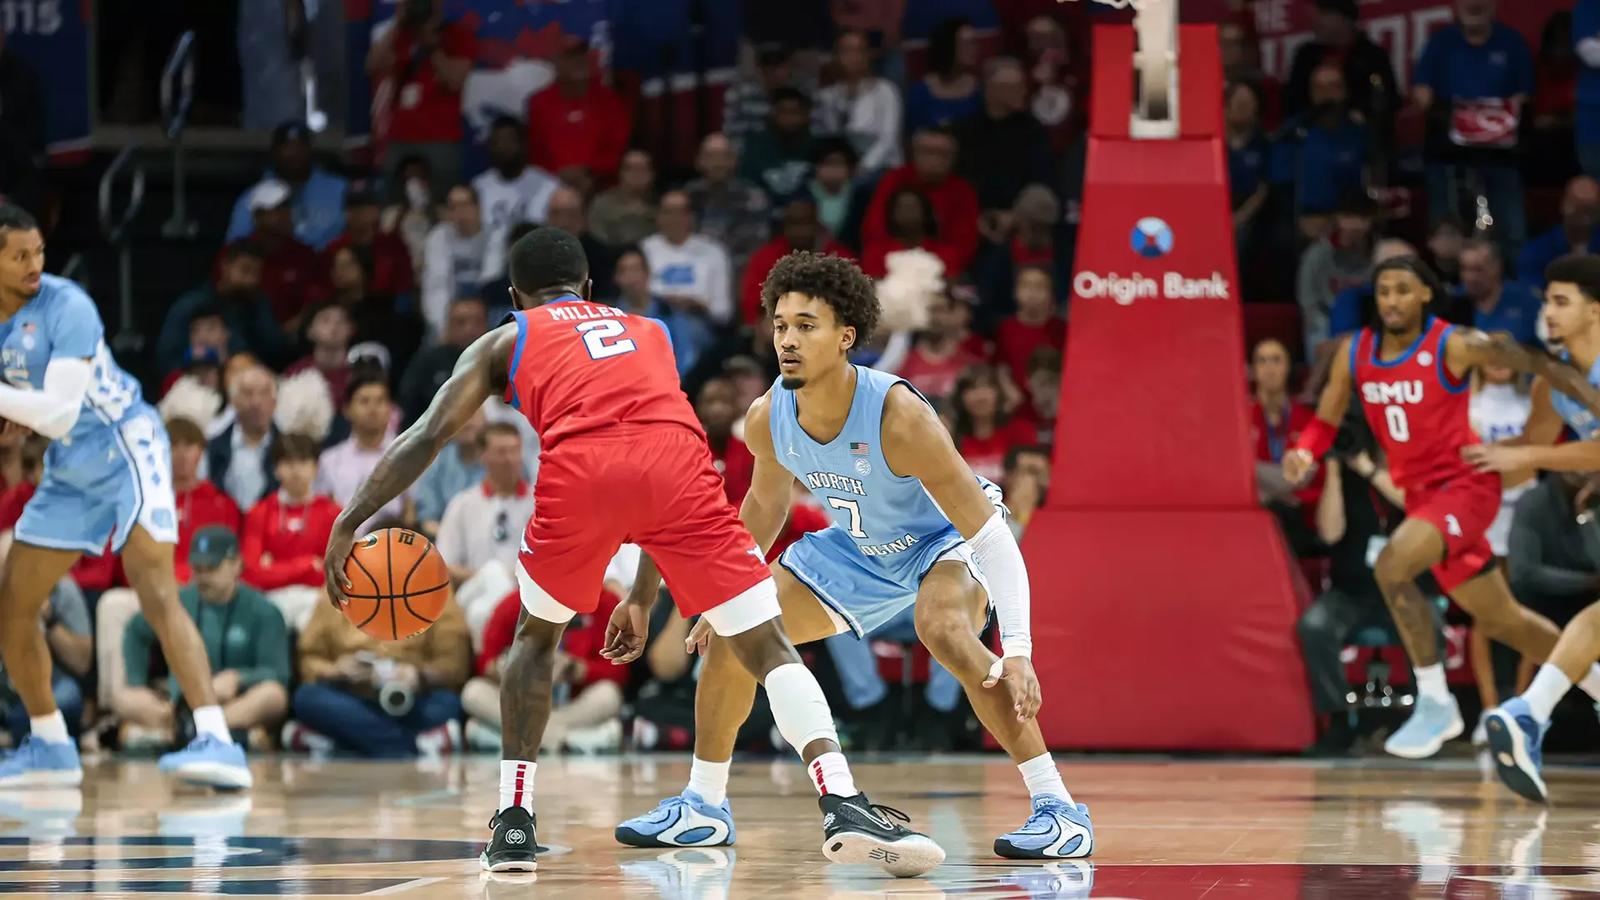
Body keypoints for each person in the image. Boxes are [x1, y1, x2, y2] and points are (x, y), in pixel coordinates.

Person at [321, 230, 943, 875]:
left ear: (515, 297)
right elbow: (655, 457)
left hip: (580, 470)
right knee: (766, 644)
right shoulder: (650, 330)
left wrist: (350, 519)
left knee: (536, 638)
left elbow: (425, 436)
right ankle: (841, 799)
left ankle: (513, 822)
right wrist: (644, 595)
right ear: (591, 289)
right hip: (678, 465)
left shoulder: (510, 337)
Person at [616, 251, 1092, 861]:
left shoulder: (899, 415)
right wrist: (727, 593)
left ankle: (1058, 809)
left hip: (943, 541)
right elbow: (763, 508)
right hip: (862, 548)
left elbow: (989, 534)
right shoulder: (767, 417)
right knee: (741, 632)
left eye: (806, 325)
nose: (787, 339)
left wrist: (1019, 651)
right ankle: (703, 805)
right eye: (781, 324)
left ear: (846, 337)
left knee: (942, 628)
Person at [1284, 254, 1600, 760]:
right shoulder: (1355, 351)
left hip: (1465, 487)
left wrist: (1588, 399)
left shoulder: (1452, 343)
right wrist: (1304, 451)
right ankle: (1596, 685)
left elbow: (1536, 363)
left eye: (1403, 290)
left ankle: (1436, 701)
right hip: (1423, 497)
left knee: (1393, 564)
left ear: (1426, 294)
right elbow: (1325, 419)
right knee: (1504, 621)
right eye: (1384, 290)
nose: (1392, 300)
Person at [0, 203, 251, 789]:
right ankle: (51, 744)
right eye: (19, 256)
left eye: (39, 251)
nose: (35, 264)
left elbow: (61, 413)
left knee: (155, 588)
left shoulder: (68, 305)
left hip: (126, 445)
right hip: (69, 468)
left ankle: (216, 738)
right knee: (12, 599)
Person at [1455, 256, 1600, 802]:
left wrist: (1542, 453)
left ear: (1596, 310)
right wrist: (1459, 468)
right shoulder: (1553, 383)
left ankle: (1530, 713)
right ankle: (1528, 713)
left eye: (1562, 301)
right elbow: (1523, 458)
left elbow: (1561, 451)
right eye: (1546, 301)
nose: (1549, 312)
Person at [116, 527, 291, 749]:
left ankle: (190, 731)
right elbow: (136, 630)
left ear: (236, 564)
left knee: (273, 696)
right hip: (178, 703)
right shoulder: (179, 602)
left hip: (235, 701)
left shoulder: (264, 611)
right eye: (197, 569)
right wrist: (137, 680)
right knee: (124, 697)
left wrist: (239, 678)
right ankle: (217, 732)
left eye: (212, 568)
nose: (203, 577)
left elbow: (278, 674)